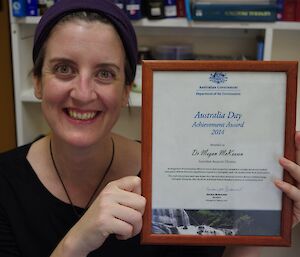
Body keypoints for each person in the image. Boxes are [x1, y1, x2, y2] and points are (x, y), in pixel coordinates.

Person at [0, 0, 299, 256]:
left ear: (127, 90)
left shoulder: (176, 179)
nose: (83, 92)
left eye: (105, 73)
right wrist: (75, 244)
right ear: (38, 82)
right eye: (64, 68)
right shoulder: (4, 184)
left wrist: (261, 224)